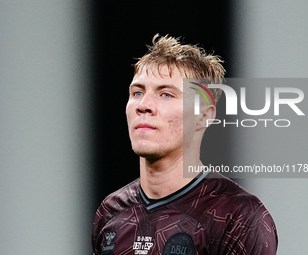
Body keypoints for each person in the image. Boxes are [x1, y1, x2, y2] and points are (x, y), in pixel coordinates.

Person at [92, 34, 278, 255]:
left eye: (166, 94)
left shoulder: (239, 216)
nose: (143, 105)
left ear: (204, 116)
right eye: (138, 92)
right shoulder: (110, 211)